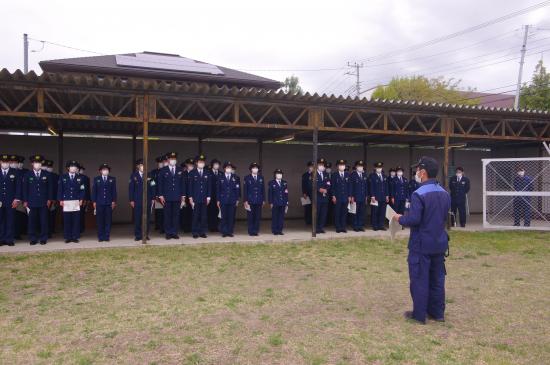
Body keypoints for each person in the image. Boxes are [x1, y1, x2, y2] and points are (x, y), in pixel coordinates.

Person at [393, 156, 451, 324]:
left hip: (421, 244)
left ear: (423, 172)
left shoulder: (418, 193)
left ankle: (420, 314)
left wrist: (399, 218)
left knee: (419, 279)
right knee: (437, 279)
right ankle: (438, 313)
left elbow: (414, 219)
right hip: (439, 243)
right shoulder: (444, 193)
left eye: (417, 170)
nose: (416, 173)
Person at [22, 155, 53, 245]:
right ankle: (33, 238)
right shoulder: (27, 175)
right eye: (35, 162)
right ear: (32, 163)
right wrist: (25, 200)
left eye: (39, 162)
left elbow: (50, 188)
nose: (37, 164)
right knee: (32, 221)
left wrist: (49, 199)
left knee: (44, 220)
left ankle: (43, 237)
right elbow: (25, 189)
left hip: (43, 201)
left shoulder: (47, 174)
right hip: (31, 201)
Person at [157, 152, 186, 239]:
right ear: (168, 160)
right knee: (167, 215)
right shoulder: (163, 170)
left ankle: (174, 232)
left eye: (174, 159)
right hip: (167, 197)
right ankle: (168, 232)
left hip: (177, 196)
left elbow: (183, 184)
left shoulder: (180, 170)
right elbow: (160, 183)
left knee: (176, 215)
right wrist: (161, 195)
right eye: (171, 159)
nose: (173, 160)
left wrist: (183, 196)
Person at [57, 160, 85, 243]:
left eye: (75, 167)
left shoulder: (80, 178)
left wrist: (81, 199)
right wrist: (60, 199)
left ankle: (75, 236)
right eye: (72, 166)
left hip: (76, 201)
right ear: (68, 168)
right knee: (67, 219)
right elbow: (60, 189)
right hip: (66, 201)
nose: (73, 168)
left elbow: (82, 189)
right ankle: (67, 236)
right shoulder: (63, 177)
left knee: (76, 220)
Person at [129, 159, 155, 241]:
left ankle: (145, 235)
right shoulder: (133, 176)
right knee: (138, 218)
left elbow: (153, 185)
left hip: (148, 199)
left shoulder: (150, 175)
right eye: (141, 165)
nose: (143, 167)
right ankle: (138, 235)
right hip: (137, 200)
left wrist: (153, 198)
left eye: (144, 165)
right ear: (138, 166)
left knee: (147, 218)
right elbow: (131, 189)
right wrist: (131, 200)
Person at [91, 163, 117, 242]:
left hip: (109, 203)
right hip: (99, 203)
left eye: (107, 169)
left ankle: (107, 236)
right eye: (104, 169)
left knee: (108, 220)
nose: (105, 171)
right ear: (100, 171)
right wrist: (94, 201)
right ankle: (100, 236)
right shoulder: (96, 179)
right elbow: (94, 191)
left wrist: (114, 201)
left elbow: (114, 191)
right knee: (100, 220)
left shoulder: (112, 179)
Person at [188, 155, 211, 239]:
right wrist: (190, 197)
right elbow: (190, 186)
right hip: (195, 198)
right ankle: (195, 232)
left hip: (204, 198)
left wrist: (208, 196)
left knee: (203, 216)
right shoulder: (192, 173)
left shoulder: (207, 172)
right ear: (197, 163)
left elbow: (209, 186)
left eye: (203, 162)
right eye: (200, 162)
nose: (202, 164)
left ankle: (202, 232)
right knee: (195, 216)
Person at [0, 154, 21, 246]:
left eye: (7, 162)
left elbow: (18, 187)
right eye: (3, 162)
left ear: (9, 162)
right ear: (0, 162)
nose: (5, 163)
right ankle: (1, 239)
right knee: (1, 220)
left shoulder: (15, 172)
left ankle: (9, 239)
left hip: (11, 201)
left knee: (10, 220)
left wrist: (16, 199)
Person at [217, 161, 240, 237]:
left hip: (232, 200)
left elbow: (237, 189)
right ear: (224, 168)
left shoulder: (235, 177)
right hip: (223, 200)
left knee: (231, 216)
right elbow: (218, 189)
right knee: (224, 216)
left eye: (230, 168)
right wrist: (218, 200)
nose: (229, 169)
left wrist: (237, 199)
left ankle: (230, 231)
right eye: (227, 167)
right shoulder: (220, 177)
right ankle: (224, 231)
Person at [243, 162, 265, 236]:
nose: (255, 169)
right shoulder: (247, 178)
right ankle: (251, 231)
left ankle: (256, 231)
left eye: (256, 168)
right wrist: (245, 200)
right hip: (250, 200)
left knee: (257, 217)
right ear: (251, 169)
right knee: (250, 217)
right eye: (253, 168)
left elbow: (263, 190)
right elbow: (245, 190)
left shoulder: (261, 178)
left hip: (259, 200)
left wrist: (263, 200)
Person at [331, 159, 351, 233]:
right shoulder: (334, 175)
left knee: (344, 213)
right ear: (337, 166)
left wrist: (349, 195)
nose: (342, 166)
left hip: (345, 197)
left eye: (343, 165)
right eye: (340, 165)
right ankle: (338, 227)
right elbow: (332, 186)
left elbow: (349, 186)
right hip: (337, 197)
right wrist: (333, 196)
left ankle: (343, 227)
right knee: (337, 213)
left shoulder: (347, 175)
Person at [369, 162, 389, 231]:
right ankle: (375, 225)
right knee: (375, 212)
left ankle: (381, 225)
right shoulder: (372, 176)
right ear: (375, 168)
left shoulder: (384, 176)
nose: (379, 169)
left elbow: (386, 187)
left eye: (380, 167)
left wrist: (387, 195)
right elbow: (371, 187)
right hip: (375, 197)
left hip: (383, 197)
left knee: (382, 212)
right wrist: (372, 196)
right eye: (378, 167)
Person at [268, 169, 288, 235]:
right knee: (275, 217)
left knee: (281, 217)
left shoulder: (284, 182)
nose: (279, 175)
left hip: (282, 203)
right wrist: (270, 202)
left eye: (280, 174)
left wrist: (287, 202)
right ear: (275, 175)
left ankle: (280, 230)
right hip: (275, 203)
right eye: (278, 174)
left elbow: (286, 193)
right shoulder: (271, 183)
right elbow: (270, 193)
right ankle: (275, 230)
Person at [350, 160, 369, 231]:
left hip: (363, 197)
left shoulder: (364, 175)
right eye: (359, 166)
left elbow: (366, 186)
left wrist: (366, 196)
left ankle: (360, 225)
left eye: (362, 166)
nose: (361, 167)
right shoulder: (353, 175)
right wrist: (351, 196)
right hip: (355, 197)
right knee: (355, 212)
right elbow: (351, 186)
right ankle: (355, 226)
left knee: (361, 212)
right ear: (356, 167)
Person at [315, 158, 331, 234]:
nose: (321, 166)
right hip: (317, 197)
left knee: (323, 213)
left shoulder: (326, 174)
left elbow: (328, 183)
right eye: (320, 164)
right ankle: (315, 228)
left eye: (322, 165)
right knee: (317, 213)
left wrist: (326, 189)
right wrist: (319, 189)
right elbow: (310, 185)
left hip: (325, 197)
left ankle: (321, 227)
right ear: (317, 165)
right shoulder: (314, 174)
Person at [14, 155, 28, 240]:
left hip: (22, 198)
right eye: (18, 162)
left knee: (21, 216)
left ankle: (19, 232)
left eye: (21, 162)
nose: (20, 164)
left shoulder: (25, 172)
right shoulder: (12, 172)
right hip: (13, 198)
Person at [44, 160, 59, 238]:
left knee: (52, 216)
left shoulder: (55, 176)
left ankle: (51, 230)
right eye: (47, 166)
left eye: (50, 166)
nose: (49, 168)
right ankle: (44, 232)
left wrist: (55, 199)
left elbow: (57, 188)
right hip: (44, 200)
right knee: (44, 217)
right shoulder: (43, 175)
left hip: (53, 200)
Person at [151, 155, 165, 234]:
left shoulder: (165, 171)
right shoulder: (154, 172)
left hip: (165, 195)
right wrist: (155, 194)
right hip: (157, 195)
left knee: (165, 212)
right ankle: (158, 225)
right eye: (159, 162)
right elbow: (152, 183)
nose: (160, 164)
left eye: (161, 162)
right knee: (158, 211)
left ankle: (163, 227)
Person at [181, 158, 195, 233]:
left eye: (192, 165)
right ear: (186, 165)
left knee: (193, 213)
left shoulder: (195, 173)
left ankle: (192, 227)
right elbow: (181, 186)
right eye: (189, 165)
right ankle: (186, 228)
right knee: (185, 213)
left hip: (194, 197)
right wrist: (182, 198)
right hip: (185, 196)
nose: (191, 166)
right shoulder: (183, 174)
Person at [208, 158, 222, 232]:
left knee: (218, 211)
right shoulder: (208, 172)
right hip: (211, 195)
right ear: (212, 165)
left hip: (218, 196)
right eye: (215, 164)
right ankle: (211, 226)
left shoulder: (221, 174)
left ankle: (217, 226)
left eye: (218, 164)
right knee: (211, 211)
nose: (216, 165)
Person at [78, 164, 91, 234]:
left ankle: (81, 228)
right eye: (80, 169)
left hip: (83, 200)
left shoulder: (85, 178)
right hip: (73, 200)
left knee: (81, 214)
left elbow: (87, 190)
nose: (81, 171)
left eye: (82, 169)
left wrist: (87, 199)